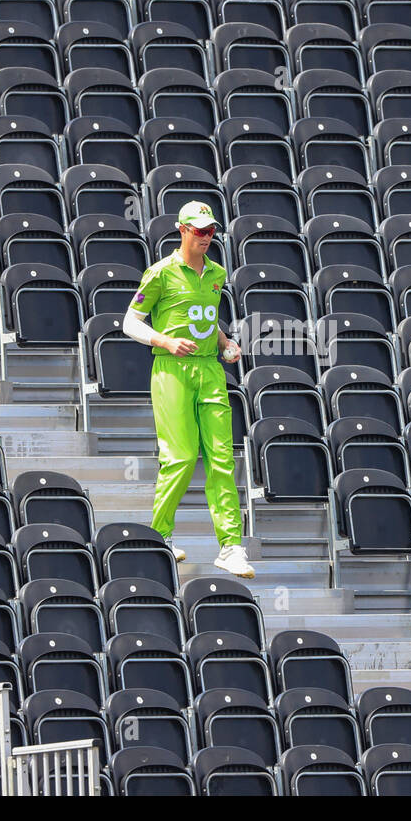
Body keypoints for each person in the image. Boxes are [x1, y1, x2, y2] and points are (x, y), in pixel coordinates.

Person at [121, 201, 253, 578]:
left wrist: (226, 343)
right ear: (182, 230)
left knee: (222, 460)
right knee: (179, 457)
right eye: (199, 231)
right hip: (172, 371)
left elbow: (205, 320)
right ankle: (160, 535)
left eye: (210, 231)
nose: (206, 237)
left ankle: (230, 547)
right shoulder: (160, 273)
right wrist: (164, 341)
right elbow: (130, 322)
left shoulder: (216, 273)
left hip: (210, 371)